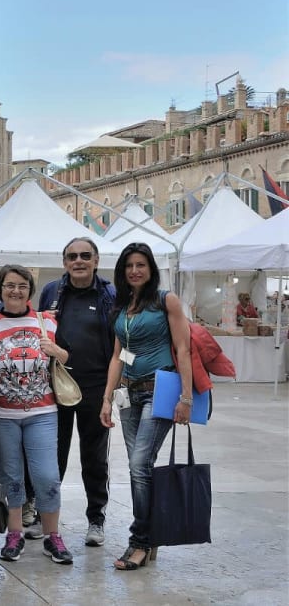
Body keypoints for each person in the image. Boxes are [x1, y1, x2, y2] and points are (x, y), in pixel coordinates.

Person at [101, 242, 193, 571]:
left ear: (151, 268)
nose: (135, 270)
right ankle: (149, 536)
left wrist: (186, 397)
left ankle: (139, 540)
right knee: (139, 469)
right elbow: (120, 355)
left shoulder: (165, 299)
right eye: (129, 266)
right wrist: (107, 397)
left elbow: (183, 349)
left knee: (140, 464)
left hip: (160, 390)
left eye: (141, 264)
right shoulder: (124, 305)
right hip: (129, 393)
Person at [0, 265, 73, 565]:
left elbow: (67, 357)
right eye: (10, 285)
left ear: (30, 290)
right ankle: (15, 533)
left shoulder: (46, 321)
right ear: (0, 289)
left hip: (42, 411)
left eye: (22, 286)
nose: (15, 291)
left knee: (47, 476)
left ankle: (52, 537)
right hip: (2, 414)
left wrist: (56, 351)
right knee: (11, 477)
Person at [37, 237, 114, 548]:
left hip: (95, 388)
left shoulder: (110, 294)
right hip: (56, 386)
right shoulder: (51, 292)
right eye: (72, 256)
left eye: (85, 256)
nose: (78, 261)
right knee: (52, 457)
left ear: (96, 260)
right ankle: (47, 521)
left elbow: (119, 344)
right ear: (64, 262)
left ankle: (96, 519)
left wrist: (112, 390)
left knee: (94, 459)